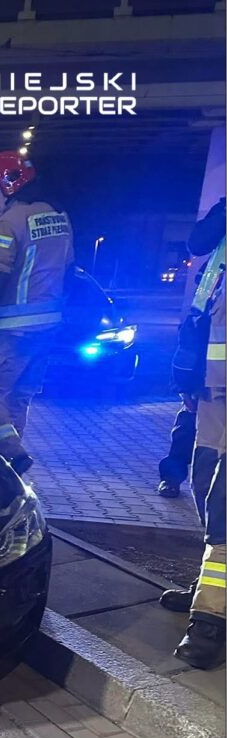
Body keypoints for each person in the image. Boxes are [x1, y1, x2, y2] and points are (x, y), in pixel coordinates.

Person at [0, 150, 74, 476]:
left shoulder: (9, 222)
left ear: (9, 184)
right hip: (48, 330)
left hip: (14, 331)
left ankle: (11, 457)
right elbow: (69, 271)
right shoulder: (59, 216)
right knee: (17, 399)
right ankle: (8, 475)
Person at [160, 197, 226, 669]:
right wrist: (190, 374)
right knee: (205, 481)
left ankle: (211, 618)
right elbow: (198, 246)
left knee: (225, 503)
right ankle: (209, 584)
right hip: (214, 388)